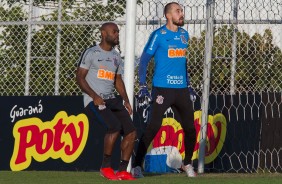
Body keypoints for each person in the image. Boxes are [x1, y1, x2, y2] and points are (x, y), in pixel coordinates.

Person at [131, 2, 197, 178]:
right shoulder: (158, 35)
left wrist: (188, 84)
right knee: (153, 127)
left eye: (181, 11)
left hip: (181, 89)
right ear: (168, 15)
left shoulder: (184, 35)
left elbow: (182, 62)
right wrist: (143, 85)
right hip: (162, 89)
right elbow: (144, 60)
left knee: (190, 128)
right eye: (178, 11)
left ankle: (188, 163)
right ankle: (137, 166)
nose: (181, 14)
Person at [76, 22, 136, 181]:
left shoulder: (116, 56)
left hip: (112, 100)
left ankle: (123, 171)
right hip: (95, 100)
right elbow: (80, 78)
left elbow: (117, 80)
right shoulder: (91, 53)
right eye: (114, 31)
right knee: (114, 126)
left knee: (131, 132)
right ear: (103, 33)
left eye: (118, 32)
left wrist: (126, 100)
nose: (117, 34)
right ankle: (105, 167)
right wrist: (94, 96)